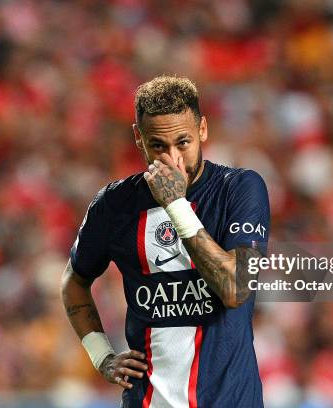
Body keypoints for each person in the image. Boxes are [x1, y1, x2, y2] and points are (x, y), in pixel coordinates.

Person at [61, 75, 270, 408]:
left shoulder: (239, 190)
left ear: (203, 129)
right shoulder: (113, 205)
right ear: (138, 139)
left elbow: (235, 289)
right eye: (158, 145)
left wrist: (174, 205)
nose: (173, 159)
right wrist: (102, 356)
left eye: (183, 142)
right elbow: (74, 281)